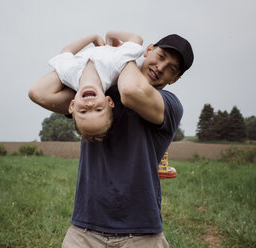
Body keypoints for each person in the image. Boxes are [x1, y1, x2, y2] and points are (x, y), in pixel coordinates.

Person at [28, 31, 194, 247]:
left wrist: (118, 54)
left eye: (172, 68)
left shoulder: (169, 104)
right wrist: (92, 63)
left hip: (141, 234)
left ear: (175, 79)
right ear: (149, 49)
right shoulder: (98, 97)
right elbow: (39, 93)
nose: (161, 68)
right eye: (161, 57)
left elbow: (130, 90)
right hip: (85, 230)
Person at [47, 31, 144, 141]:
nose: (89, 104)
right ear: (109, 101)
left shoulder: (67, 74)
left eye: (83, 112)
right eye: (98, 109)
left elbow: (66, 51)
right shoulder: (115, 67)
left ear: (72, 105)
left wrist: (93, 37)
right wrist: (110, 34)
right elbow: (136, 40)